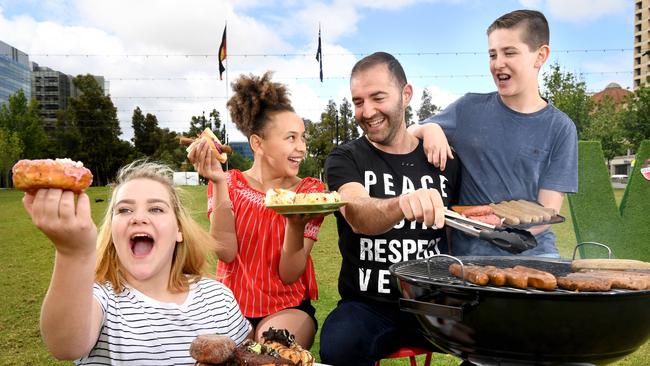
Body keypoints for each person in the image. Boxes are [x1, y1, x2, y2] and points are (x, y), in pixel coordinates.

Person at [22, 160, 251, 365]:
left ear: (179, 230)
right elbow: (65, 345)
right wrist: (72, 254)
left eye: (156, 208)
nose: (138, 217)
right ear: (111, 229)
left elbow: (247, 355)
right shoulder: (100, 298)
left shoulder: (219, 297)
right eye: (124, 210)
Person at [320, 52, 460, 366]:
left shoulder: (443, 159)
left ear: (405, 94)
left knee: (498, 345)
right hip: (369, 307)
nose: (367, 111)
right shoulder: (345, 158)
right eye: (358, 101)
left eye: (378, 97)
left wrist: (429, 129)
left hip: (433, 304)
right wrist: (401, 203)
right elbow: (356, 214)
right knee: (338, 345)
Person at [410, 9, 578, 257]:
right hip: (471, 255)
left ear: (540, 56)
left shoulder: (561, 127)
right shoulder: (467, 109)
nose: (498, 63)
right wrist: (429, 128)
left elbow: (547, 212)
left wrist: (499, 226)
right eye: (492, 54)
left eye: (509, 52)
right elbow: (409, 132)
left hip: (535, 252)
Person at [188, 72, 325, 349]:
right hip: (229, 308)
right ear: (257, 143)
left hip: (288, 308)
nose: (301, 148)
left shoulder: (310, 192)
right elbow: (226, 252)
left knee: (270, 351)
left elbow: (290, 274)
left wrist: (295, 223)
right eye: (290, 138)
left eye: (302, 138)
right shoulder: (229, 183)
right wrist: (217, 181)